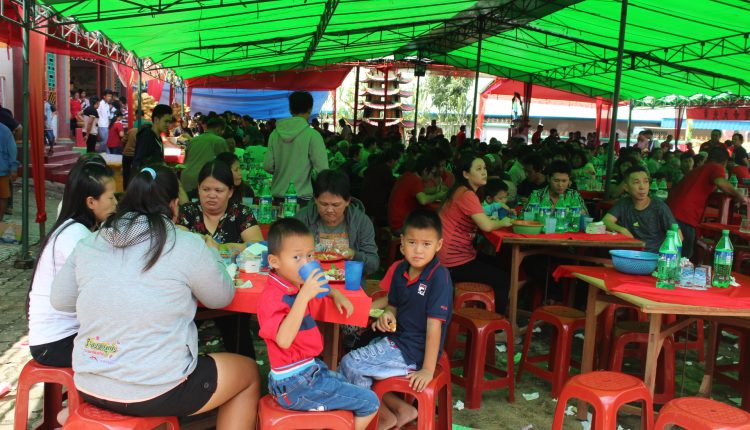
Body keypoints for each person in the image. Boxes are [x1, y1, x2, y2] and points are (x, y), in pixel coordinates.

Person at [50, 165, 260, 427]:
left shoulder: (90, 241)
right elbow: (221, 297)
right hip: (157, 389)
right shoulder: (186, 243)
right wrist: (213, 254)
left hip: (89, 381)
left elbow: (60, 300)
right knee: (248, 373)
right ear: (173, 205)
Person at [257, 218, 379, 430]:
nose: (306, 263)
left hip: (308, 371)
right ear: (274, 261)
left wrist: (335, 294)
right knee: (370, 402)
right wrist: (304, 296)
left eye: (310, 255)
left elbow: (321, 286)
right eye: (297, 257)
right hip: (295, 384)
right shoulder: (272, 296)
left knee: (347, 383)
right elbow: (283, 340)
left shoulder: (293, 282)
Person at [339, 209, 452, 430]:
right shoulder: (401, 270)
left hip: (414, 351)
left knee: (350, 364)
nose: (418, 250)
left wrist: (428, 369)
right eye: (412, 242)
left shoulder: (439, 277)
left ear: (438, 245)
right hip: (397, 341)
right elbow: (393, 307)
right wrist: (388, 316)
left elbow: (434, 329)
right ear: (402, 243)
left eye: (426, 244)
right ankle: (398, 412)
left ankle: (376, 420)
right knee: (345, 364)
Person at [27, 161, 116, 367]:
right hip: (56, 343)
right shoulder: (76, 235)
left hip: (64, 337)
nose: (115, 204)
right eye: (111, 197)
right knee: (123, 351)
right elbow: (93, 292)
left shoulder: (75, 229)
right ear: (91, 202)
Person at [438, 153, 512, 313]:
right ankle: (496, 327)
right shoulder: (467, 194)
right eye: (478, 169)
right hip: (453, 261)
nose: (484, 172)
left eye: (484, 168)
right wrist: (503, 222)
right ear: (466, 174)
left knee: (503, 266)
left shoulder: (461, 191)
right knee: (503, 279)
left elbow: (480, 219)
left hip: (457, 254)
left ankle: (484, 310)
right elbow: (486, 226)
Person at [667, 147, 750, 259]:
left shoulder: (700, 169)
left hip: (671, 210)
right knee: (683, 254)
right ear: (724, 162)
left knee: (672, 250)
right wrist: (739, 196)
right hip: (684, 215)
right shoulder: (716, 167)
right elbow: (721, 183)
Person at [295, 169, 379, 277]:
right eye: (324, 204)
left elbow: (373, 264)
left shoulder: (361, 222)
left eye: (336, 205)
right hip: (310, 280)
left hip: (348, 281)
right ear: (315, 199)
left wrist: (353, 255)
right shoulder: (303, 218)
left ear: (348, 201)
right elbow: (289, 256)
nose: (329, 210)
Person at [178, 160, 262, 251]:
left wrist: (223, 247)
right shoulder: (188, 210)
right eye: (206, 189)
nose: (212, 195)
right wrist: (201, 240)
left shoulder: (241, 212)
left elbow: (259, 247)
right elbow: (177, 242)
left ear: (230, 192)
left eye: (218, 190)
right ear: (198, 188)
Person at [264, 91, 329, 205]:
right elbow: (322, 170)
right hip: (302, 198)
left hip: (277, 196)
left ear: (290, 109)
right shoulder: (312, 135)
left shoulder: (275, 134)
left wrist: (283, 170)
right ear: (310, 109)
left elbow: (268, 166)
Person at [603, 166, 679, 253]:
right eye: (636, 182)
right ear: (626, 187)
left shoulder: (659, 207)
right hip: (629, 255)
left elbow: (678, 236)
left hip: (653, 258)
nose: (642, 187)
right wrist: (622, 230)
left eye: (646, 182)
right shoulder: (623, 204)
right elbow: (605, 221)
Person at [181, 117, 230, 195]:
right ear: (219, 129)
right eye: (223, 130)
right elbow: (227, 163)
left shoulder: (194, 140)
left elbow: (185, 160)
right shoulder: (219, 141)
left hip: (185, 178)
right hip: (201, 179)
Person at [362, 150, 399, 227]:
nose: (397, 163)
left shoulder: (374, 166)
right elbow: (392, 185)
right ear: (392, 160)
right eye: (397, 161)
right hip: (377, 204)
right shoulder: (385, 170)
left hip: (365, 200)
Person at [133, 104, 172, 172]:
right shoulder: (146, 137)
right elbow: (138, 164)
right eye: (166, 121)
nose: (168, 125)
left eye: (169, 122)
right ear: (156, 119)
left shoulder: (158, 137)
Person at [0, 123, 18, 222]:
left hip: (2, 170)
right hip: (2, 168)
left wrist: (14, 168)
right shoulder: (5, 130)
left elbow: (12, 149)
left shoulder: (5, 130)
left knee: (3, 196)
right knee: (3, 196)